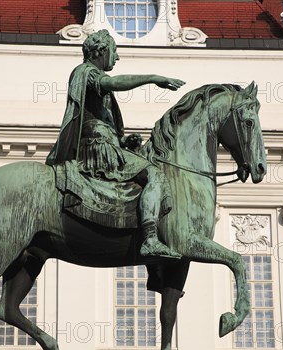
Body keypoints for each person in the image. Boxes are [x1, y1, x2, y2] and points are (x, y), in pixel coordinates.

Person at [46, 29, 185, 259]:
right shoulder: (86, 73)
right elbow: (113, 84)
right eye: (115, 51)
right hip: (96, 148)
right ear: (101, 51)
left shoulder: (92, 75)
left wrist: (122, 141)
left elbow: (99, 117)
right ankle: (150, 238)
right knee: (155, 174)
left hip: (108, 144)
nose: (117, 57)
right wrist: (152, 78)